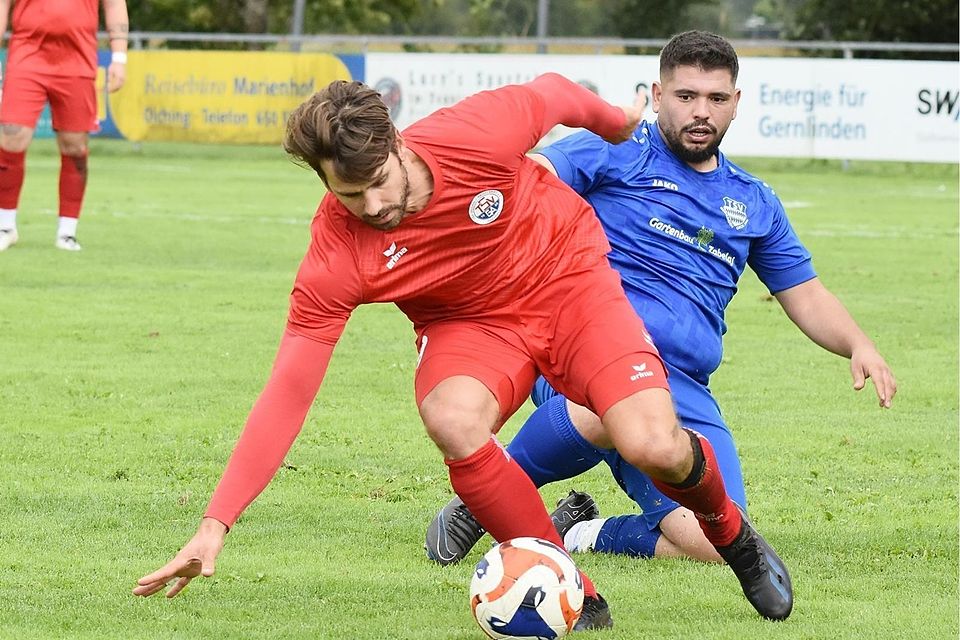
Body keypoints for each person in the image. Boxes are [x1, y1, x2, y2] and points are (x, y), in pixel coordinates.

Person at [132, 72, 794, 626]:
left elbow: (556, 93)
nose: (374, 204)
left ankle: (735, 539)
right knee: (451, 418)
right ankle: (574, 591)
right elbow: (288, 391)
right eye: (349, 193)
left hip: (568, 282)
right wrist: (216, 523)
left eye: (379, 181)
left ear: (395, 143)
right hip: (469, 324)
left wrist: (616, 123)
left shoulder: (472, 134)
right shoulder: (336, 254)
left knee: (655, 445)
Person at [426, 30, 896, 570]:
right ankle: (483, 498)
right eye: (686, 96)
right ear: (656, 95)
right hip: (585, 360)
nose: (701, 112)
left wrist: (859, 344)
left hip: (684, 389)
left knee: (716, 543)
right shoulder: (613, 149)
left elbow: (805, 293)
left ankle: (582, 532)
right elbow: (533, 179)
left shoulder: (753, 201)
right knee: (607, 400)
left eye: (716, 99)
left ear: (736, 104)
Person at [0, 0, 129, 252]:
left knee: (75, 146)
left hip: (77, 59)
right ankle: (5, 225)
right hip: (27, 57)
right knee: (11, 135)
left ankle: (67, 232)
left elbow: (114, 5)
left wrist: (120, 57)